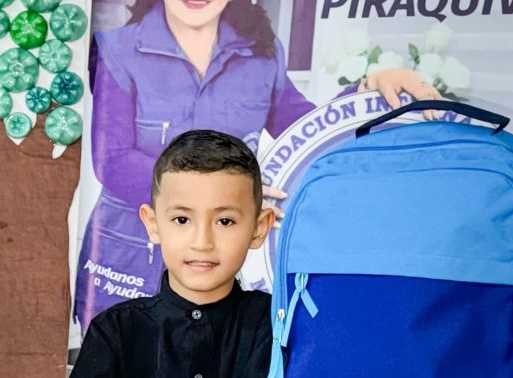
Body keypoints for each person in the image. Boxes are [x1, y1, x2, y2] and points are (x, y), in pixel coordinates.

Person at [74, 0, 442, 327]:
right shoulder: (116, 49)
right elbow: (113, 160)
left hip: (216, 260)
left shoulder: (263, 54)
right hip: (131, 253)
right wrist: (223, 190)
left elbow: (305, 131)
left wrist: (371, 86)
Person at [56, 130, 276, 378]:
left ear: (259, 228)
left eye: (225, 220)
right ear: (153, 224)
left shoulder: (270, 320)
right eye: (182, 219)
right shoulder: (115, 328)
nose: (202, 241)